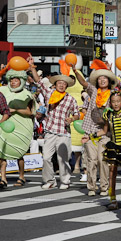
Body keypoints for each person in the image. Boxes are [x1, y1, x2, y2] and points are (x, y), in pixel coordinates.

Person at [27, 60, 80, 190]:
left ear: (67, 86)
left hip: (64, 132)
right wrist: (32, 67)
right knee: (46, 158)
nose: (61, 85)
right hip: (50, 131)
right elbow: (38, 81)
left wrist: (72, 119)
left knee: (63, 159)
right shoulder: (49, 94)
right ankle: (49, 180)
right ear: (55, 84)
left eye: (64, 83)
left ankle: (65, 181)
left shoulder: (70, 99)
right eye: (59, 83)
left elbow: (77, 114)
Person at [73, 62, 117, 196]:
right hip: (90, 129)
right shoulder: (94, 91)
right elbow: (84, 84)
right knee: (91, 160)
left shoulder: (113, 94)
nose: (102, 80)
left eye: (105, 78)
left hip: (105, 131)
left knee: (102, 159)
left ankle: (104, 187)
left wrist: (111, 71)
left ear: (109, 81)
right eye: (100, 78)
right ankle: (91, 187)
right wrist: (76, 71)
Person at [0, 68, 36, 187]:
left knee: (19, 152)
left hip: (21, 125)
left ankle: (21, 176)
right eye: (12, 79)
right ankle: (3, 178)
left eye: (16, 80)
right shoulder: (2, 91)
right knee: (2, 151)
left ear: (22, 81)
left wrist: (15, 110)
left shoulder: (26, 94)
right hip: (4, 123)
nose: (13, 82)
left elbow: (30, 112)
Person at [102, 91, 121, 210]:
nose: (116, 104)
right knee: (111, 173)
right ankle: (113, 199)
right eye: (113, 102)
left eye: (118, 101)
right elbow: (104, 131)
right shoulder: (108, 115)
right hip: (113, 146)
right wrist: (91, 136)